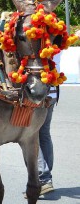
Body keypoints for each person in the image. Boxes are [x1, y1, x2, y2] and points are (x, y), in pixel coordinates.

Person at [37, 52, 61, 195]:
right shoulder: (57, 42)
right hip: (52, 93)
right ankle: (46, 176)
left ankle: (43, 178)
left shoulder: (40, 42)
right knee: (44, 134)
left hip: (39, 94)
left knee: (32, 137)